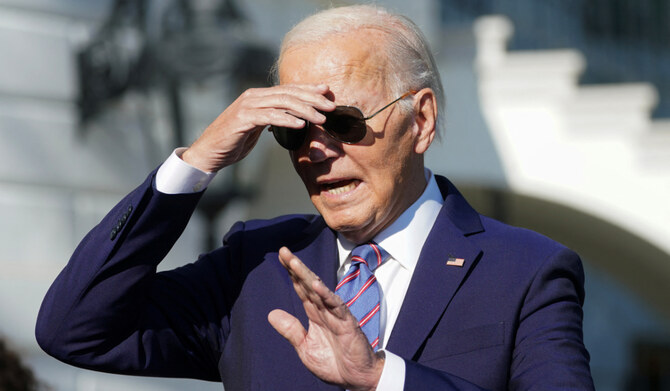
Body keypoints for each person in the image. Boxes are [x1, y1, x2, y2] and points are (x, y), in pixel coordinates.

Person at [36, 5, 594, 390]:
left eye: (345, 122)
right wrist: (196, 162)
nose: (317, 150)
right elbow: (75, 328)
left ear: (420, 121)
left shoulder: (524, 269)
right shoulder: (257, 266)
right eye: (294, 128)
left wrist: (382, 378)